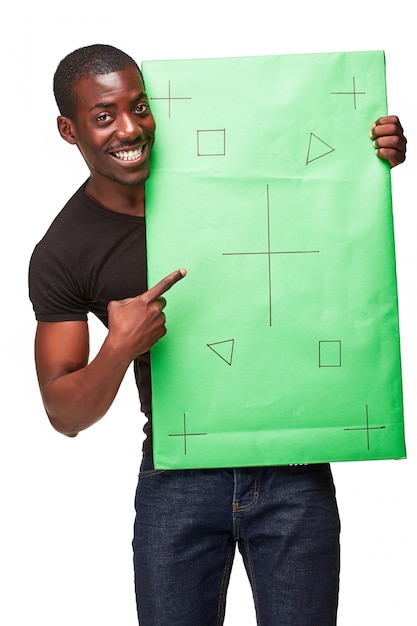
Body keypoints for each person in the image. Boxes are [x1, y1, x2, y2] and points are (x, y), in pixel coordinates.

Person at [28, 44, 407, 626]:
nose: (130, 128)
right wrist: (118, 347)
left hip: (293, 463)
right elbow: (64, 412)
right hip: (176, 478)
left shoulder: (224, 176)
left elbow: (310, 174)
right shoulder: (64, 251)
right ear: (67, 129)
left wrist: (369, 154)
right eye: (104, 116)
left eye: (141, 106)